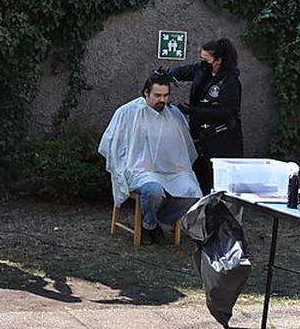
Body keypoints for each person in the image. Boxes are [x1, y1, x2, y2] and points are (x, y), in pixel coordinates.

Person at [99, 73, 202, 244]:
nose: (162, 99)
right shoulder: (128, 112)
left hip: (170, 171)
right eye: (157, 95)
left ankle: (158, 222)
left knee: (193, 191)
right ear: (146, 93)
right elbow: (110, 143)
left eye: (166, 95)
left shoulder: (174, 114)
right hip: (139, 170)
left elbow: (183, 147)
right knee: (153, 191)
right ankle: (150, 225)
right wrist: (123, 164)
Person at [164, 38, 243, 194]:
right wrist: (167, 75)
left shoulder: (230, 82)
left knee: (217, 184)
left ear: (218, 60)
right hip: (202, 137)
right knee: (201, 180)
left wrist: (194, 111)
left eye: (206, 60)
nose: (202, 63)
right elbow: (184, 72)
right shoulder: (203, 70)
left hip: (222, 140)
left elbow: (226, 113)